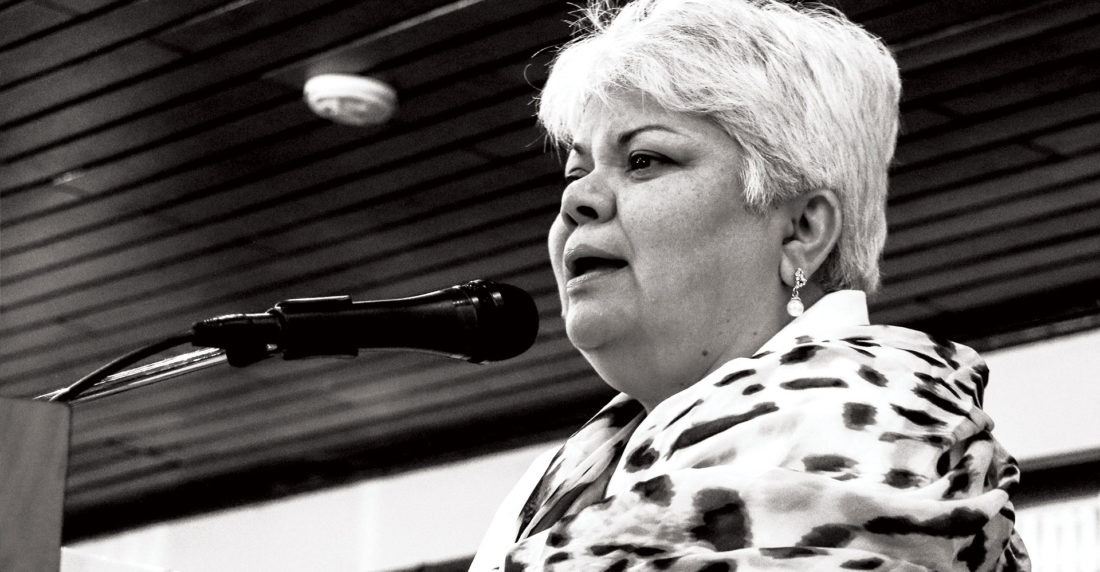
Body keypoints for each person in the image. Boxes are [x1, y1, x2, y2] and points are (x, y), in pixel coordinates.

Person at [471, 0, 1030, 569]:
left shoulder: (870, 434)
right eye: (576, 171)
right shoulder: (565, 478)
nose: (576, 198)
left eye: (643, 160)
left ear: (802, 230)